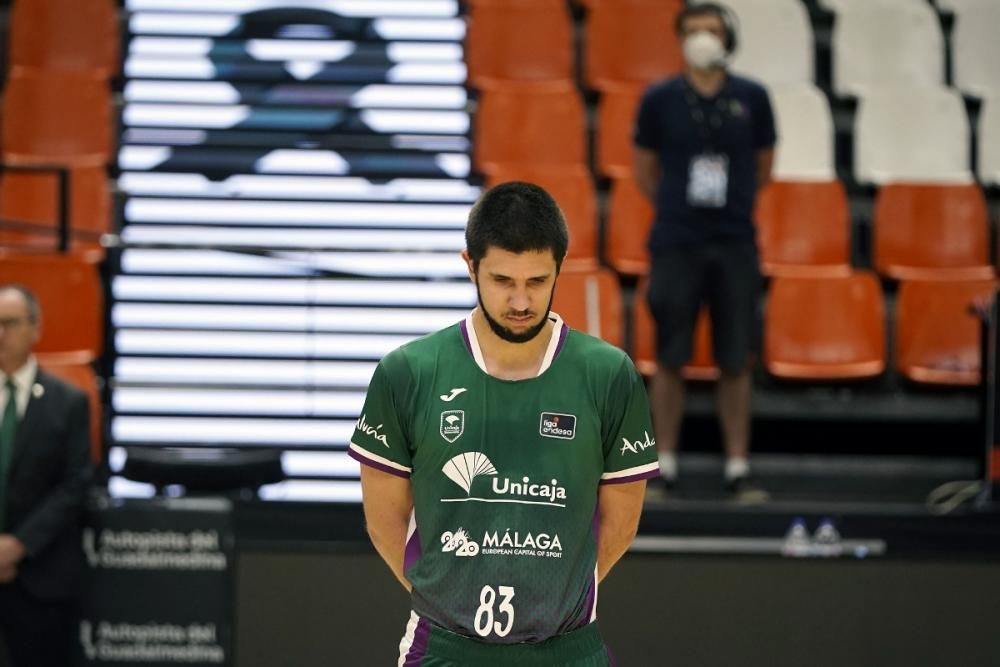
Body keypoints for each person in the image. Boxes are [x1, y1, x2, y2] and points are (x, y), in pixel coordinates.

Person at [350, 182, 658, 666]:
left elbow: (621, 521)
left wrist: (555, 592)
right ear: (470, 265)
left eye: (537, 281)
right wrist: (443, 593)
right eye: (502, 281)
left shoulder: (608, 374)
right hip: (444, 648)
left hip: (568, 650)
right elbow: (383, 519)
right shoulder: (406, 372)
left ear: (560, 267)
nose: (520, 302)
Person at [633, 2, 776, 502]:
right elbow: (645, 170)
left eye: (710, 30)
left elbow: (763, 166)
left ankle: (738, 467)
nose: (701, 38)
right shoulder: (659, 100)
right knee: (669, 356)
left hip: (735, 242)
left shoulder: (753, 98)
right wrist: (680, 210)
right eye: (691, 30)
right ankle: (661, 464)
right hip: (677, 242)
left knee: (735, 358)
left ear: (727, 38)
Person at [0, 285, 94, 667]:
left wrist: (18, 545)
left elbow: (75, 485)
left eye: (9, 323)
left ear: (35, 329)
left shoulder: (68, 402)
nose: (0, 334)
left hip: (40, 578)